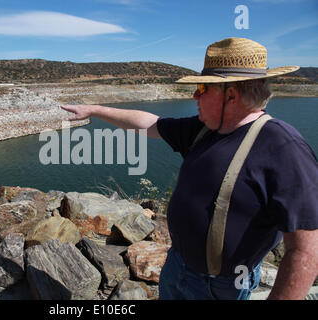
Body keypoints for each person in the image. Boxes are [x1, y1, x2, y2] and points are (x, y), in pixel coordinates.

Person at [61, 37, 318, 300]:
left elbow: (305, 251)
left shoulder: (283, 148)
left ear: (231, 95)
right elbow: (149, 122)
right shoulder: (204, 129)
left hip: (222, 287)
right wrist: (94, 109)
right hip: (177, 267)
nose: (194, 95)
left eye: (203, 88)